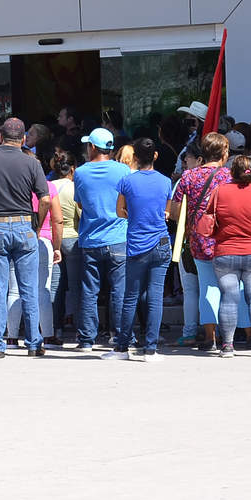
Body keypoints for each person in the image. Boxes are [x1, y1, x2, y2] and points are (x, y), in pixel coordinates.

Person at [0, 118, 55, 358]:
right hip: (24, 225)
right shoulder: (32, 163)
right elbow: (46, 199)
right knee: (29, 288)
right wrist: (36, 224)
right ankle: (34, 343)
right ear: (23, 139)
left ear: (0, 137)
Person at [204, 156, 251, 357]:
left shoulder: (219, 192)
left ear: (231, 173)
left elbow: (210, 218)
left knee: (228, 299)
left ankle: (227, 346)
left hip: (226, 252)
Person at [168, 133, 237, 349]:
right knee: (229, 289)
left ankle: (210, 337)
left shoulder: (188, 177)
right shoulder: (231, 176)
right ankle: (230, 337)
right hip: (227, 239)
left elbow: (175, 211)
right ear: (224, 153)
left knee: (207, 287)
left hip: (199, 240)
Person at [110, 138, 174, 361]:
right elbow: (168, 212)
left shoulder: (127, 181)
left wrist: (133, 214)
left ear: (135, 157)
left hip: (137, 243)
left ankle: (122, 347)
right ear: (155, 156)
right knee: (155, 297)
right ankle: (150, 349)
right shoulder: (165, 181)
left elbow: (119, 211)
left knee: (131, 296)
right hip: (161, 242)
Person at [71, 127, 128, 352]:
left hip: (91, 238)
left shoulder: (81, 172)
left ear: (93, 147)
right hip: (118, 237)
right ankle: (122, 337)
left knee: (89, 291)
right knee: (119, 290)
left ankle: (87, 339)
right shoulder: (123, 170)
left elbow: (80, 203)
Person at [50, 143, 82, 337]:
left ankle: (56, 329)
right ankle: (80, 331)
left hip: (54, 239)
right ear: (73, 169)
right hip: (73, 238)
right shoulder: (74, 188)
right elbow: (81, 215)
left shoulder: (50, 187)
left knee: (56, 287)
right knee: (76, 287)